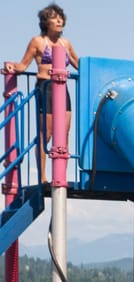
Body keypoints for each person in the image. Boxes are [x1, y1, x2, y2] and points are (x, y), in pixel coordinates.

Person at [5, 3, 79, 180]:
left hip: (63, 89)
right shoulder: (37, 41)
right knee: (46, 133)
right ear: (46, 21)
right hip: (45, 87)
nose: (59, 20)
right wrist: (12, 66)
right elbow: (24, 65)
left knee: (64, 132)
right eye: (54, 17)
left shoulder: (65, 43)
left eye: (61, 17)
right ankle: (43, 176)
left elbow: (79, 64)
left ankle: (59, 174)